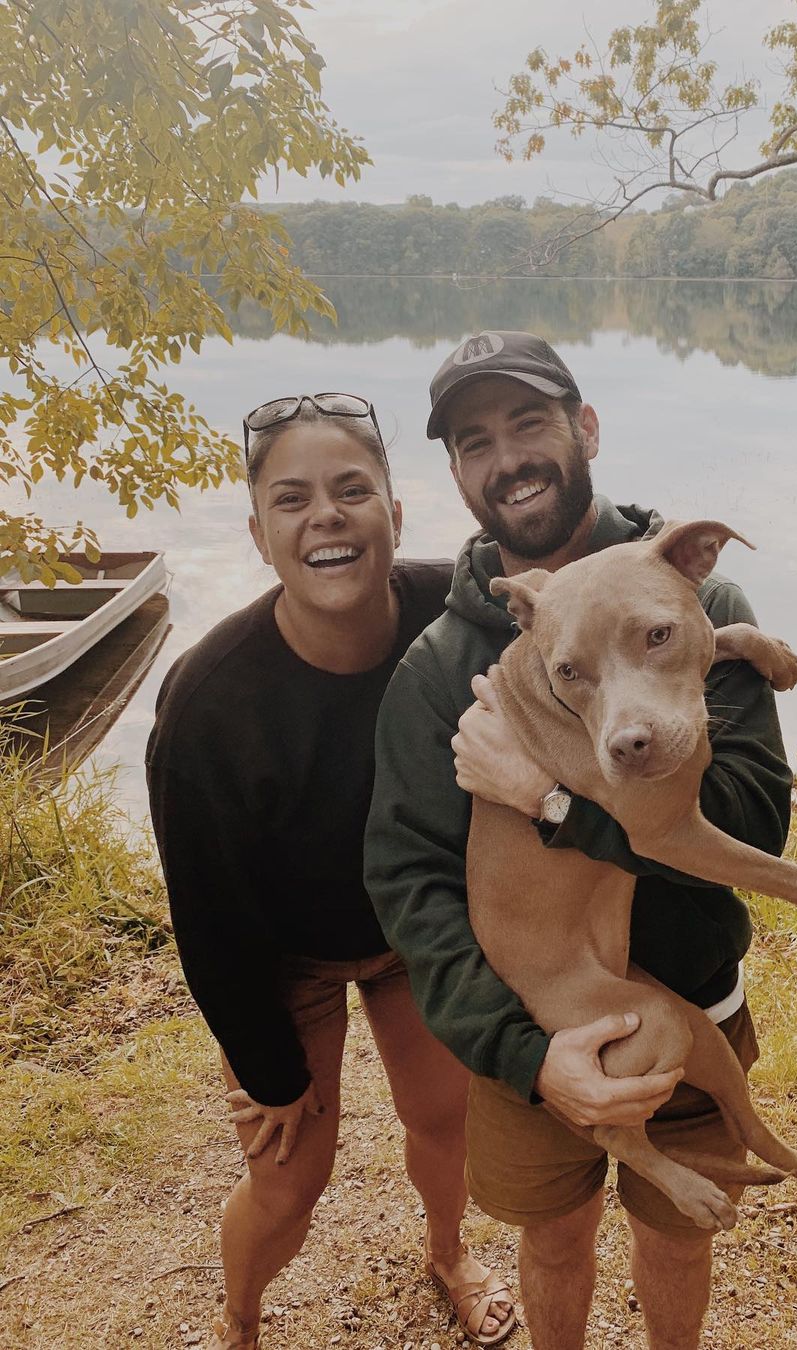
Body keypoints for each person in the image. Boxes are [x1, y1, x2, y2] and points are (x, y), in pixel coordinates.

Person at [365, 333, 793, 1350]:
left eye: (529, 423)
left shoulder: (692, 603)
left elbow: (752, 815)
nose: (508, 457)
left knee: (682, 1243)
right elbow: (409, 879)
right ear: (459, 474)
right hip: (534, 1041)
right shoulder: (445, 662)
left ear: (584, 428)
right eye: (476, 441)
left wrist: (550, 799)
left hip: (696, 1000)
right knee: (555, 1242)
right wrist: (525, 1054)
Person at [145, 393, 516, 1350]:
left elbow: (580, 620)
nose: (327, 516)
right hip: (284, 959)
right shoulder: (208, 702)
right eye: (292, 498)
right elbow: (209, 918)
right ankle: (241, 1317)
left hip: (416, 931)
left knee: (446, 1120)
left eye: (354, 490)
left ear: (395, 515)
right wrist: (268, 1071)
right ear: (262, 531)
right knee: (288, 1179)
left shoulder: (460, 616)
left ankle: (449, 1252)